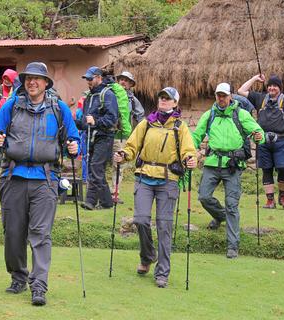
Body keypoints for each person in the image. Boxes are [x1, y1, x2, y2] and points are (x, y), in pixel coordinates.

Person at [0, 62, 79, 306]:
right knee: (13, 233)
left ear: (46, 83)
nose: (32, 82)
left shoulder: (58, 109)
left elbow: (73, 136)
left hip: (45, 180)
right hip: (13, 177)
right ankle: (18, 276)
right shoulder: (11, 106)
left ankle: (39, 286)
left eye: (37, 79)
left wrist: (74, 145)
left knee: (40, 234)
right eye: (28, 78)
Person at [113, 87, 196, 288]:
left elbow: (188, 150)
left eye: (168, 99)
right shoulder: (146, 123)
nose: (164, 101)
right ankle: (148, 255)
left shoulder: (180, 127)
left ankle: (162, 273)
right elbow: (132, 146)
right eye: (161, 98)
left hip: (168, 181)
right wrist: (123, 154)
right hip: (144, 178)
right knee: (141, 220)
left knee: (164, 226)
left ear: (175, 103)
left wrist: (190, 159)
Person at [192, 83, 264, 259]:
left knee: (232, 205)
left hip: (233, 165)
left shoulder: (241, 114)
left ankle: (233, 245)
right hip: (212, 163)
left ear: (230, 96)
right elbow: (196, 136)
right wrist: (190, 151)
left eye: (224, 95)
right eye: (218, 95)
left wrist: (259, 136)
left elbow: (258, 131)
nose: (221, 98)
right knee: (203, 196)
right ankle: (220, 215)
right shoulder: (209, 115)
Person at [238, 74, 284, 209]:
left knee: (282, 168)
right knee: (266, 169)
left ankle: (283, 197)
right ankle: (270, 201)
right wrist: (255, 78)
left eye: (275, 86)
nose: (272, 88)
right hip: (263, 141)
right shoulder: (260, 98)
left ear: (280, 88)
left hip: (281, 140)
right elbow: (241, 91)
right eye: (270, 85)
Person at [77, 66, 119, 210]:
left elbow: (112, 119)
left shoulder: (108, 95)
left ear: (99, 77)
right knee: (94, 169)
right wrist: (75, 123)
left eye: (90, 78)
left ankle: (90, 201)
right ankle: (106, 202)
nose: (88, 81)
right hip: (92, 137)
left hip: (105, 137)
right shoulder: (90, 96)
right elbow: (86, 120)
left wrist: (96, 121)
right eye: (87, 79)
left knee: (95, 167)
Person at [111, 71, 145, 203]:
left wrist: (139, 135)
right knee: (100, 164)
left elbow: (141, 117)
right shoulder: (110, 94)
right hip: (106, 134)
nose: (123, 82)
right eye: (121, 79)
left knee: (118, 165)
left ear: (131, 84)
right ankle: (99, 193)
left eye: (126, 80)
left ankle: (115, 193)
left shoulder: (132, 100)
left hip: (121, 136)